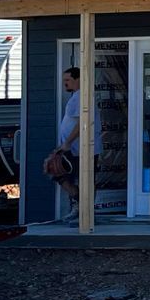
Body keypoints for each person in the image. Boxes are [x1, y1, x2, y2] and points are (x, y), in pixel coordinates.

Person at [49, 65, 103, 211]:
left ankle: (85, 211)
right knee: (55, 170)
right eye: (64, 80)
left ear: (78, 79)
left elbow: (82, 122)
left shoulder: (83, 96)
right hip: (72, 148)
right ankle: (80, 205)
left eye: (68, 80)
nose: (65, 83)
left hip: (83, 147)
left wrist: (67, 142)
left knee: (85, 179)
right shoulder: (76, 96)